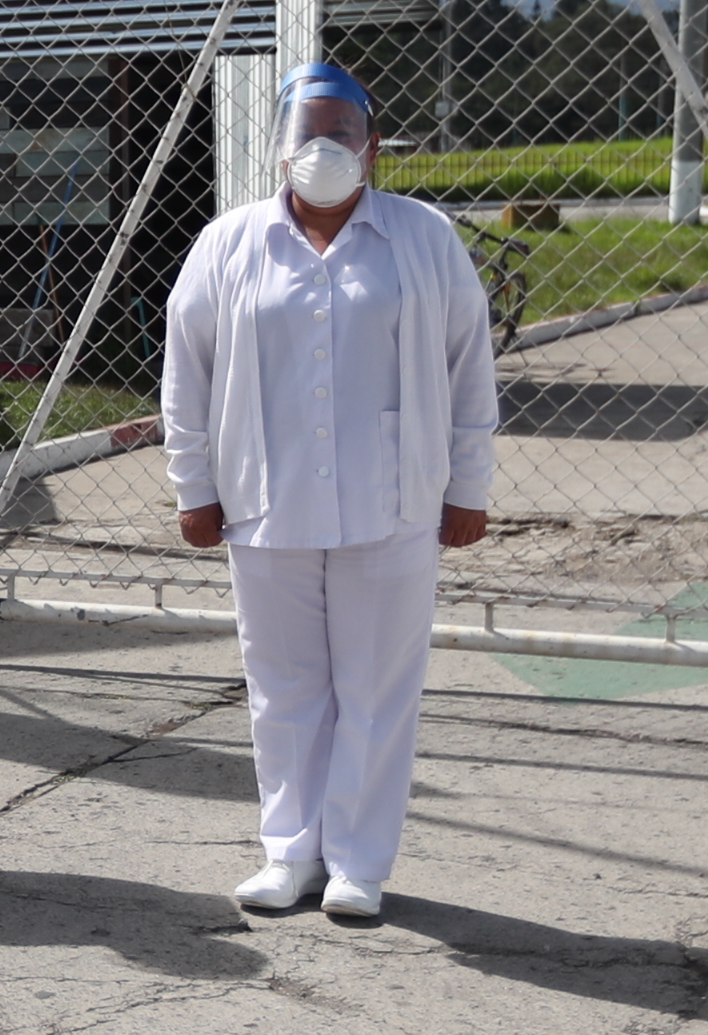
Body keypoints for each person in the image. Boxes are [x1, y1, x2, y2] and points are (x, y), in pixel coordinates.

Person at [162, 59, 501, 924]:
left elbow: (470, 368)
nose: (325, 148)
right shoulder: (228, 243)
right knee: (281, 686)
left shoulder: (423, 238)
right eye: (308, 133)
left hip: (393, 501)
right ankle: (290, 854)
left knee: (379, 689)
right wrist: (192, 487)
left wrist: (469, 484)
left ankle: (357, 861)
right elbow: (186, 374)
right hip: (263, 500)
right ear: (279, 150)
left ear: (373, 146)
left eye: (342, 133)